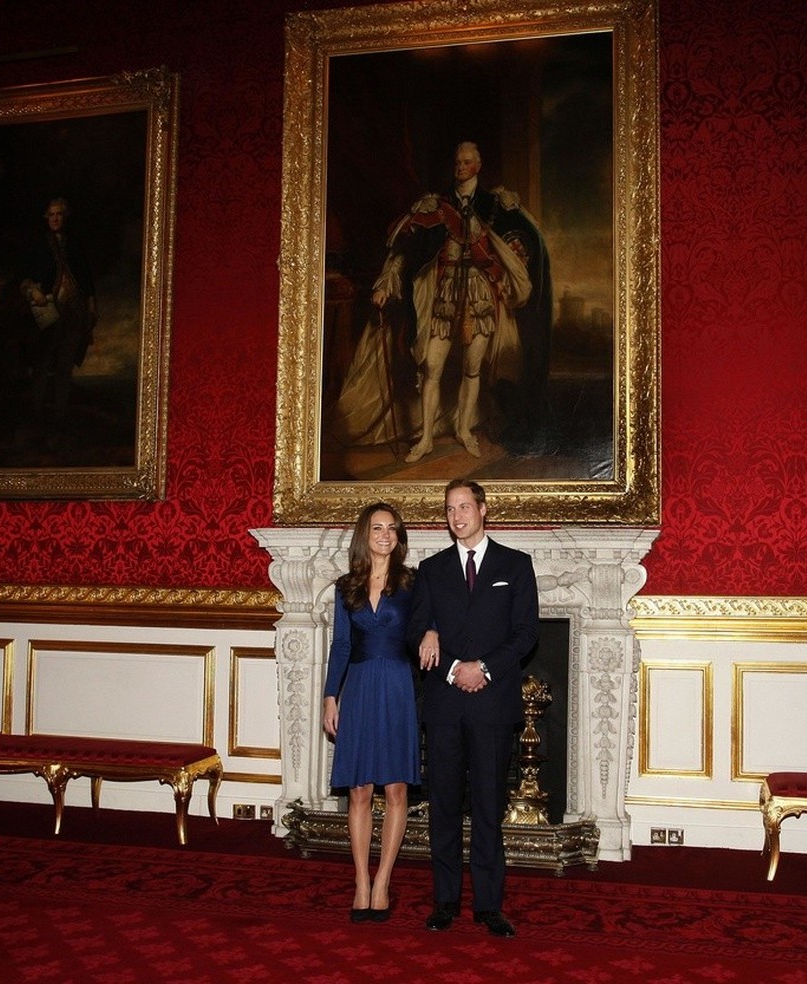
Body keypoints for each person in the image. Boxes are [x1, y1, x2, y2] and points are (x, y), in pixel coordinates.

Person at [409, 479, 539, 937]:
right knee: (443, 805)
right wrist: (446, 662)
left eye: (465, 506)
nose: (457, 515)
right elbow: (416, 629)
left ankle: (488, 906)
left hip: (492, 704)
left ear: (484, 510)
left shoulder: (516, 565)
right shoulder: (430, 568)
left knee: (487, 806)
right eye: (449, 509)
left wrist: (482, 668)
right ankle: (445, 901)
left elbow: (526, 634)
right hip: (444, 706)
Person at [370, 142, 551, 462]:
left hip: (480, 295)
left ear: (477, 167)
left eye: (466, 162)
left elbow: (524, 243)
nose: (460, 168)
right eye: (457, 162)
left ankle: (464, 430)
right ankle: (425, 438)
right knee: (432, 367)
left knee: (471, 369)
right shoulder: (436, 205)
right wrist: (386, 284)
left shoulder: (495, 205)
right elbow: (407, 251)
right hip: (446, 292)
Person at [321, 501, 422, 924]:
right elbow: (341, 645)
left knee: (396, 789)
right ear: (365, 534)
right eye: (377, 527)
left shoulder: (414, 584)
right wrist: (330, 696)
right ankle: (361, 881)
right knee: (359, 790)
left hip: (399, 686)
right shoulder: (346, 587)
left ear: (399, 537)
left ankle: (383, 882)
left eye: (392, 528)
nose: (384, 534)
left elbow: (429, 630)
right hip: (359, 688)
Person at [20, 197, 98, 425]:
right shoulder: (38, 245)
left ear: (65, 217)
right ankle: (36, 413)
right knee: (43, 361)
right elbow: (25, 277)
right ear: (46, 218)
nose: (55, 218)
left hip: (74, 308)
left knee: (65, 363)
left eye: (59, 214)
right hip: (49, 308)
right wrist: (32, 291)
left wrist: (92, 302)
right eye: (51, 215)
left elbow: (85, 275)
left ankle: (59, 416)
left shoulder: (74, 244)